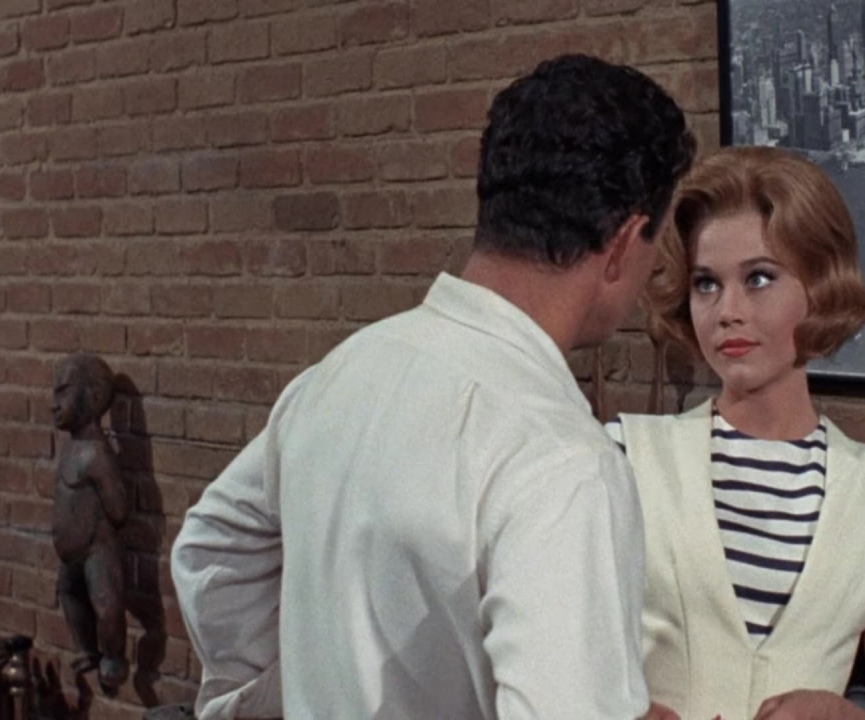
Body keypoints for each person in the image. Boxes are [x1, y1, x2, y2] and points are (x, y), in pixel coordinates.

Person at [171, 54, 696, 719]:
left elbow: (212, 553)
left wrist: (288, 692)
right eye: (657, 243)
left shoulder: (338, 375)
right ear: (623, 244)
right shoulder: (562, 460)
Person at [607, 147, 865, 720]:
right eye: (707, 284)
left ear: (820, 286)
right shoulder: (624, 455)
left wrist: (842, 716)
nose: (727, 311)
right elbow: (555, 672)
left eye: (759, 278)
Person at [51, 354, 129, 692]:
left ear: (94, 397)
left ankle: (113, 657)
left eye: (63, 392)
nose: (54, 404)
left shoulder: (97, 455)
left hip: (97, 548)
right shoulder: (72, 447)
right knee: (69, 594)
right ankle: (86, 649)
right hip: (70, 553)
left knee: (107, 607)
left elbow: (119, 509)